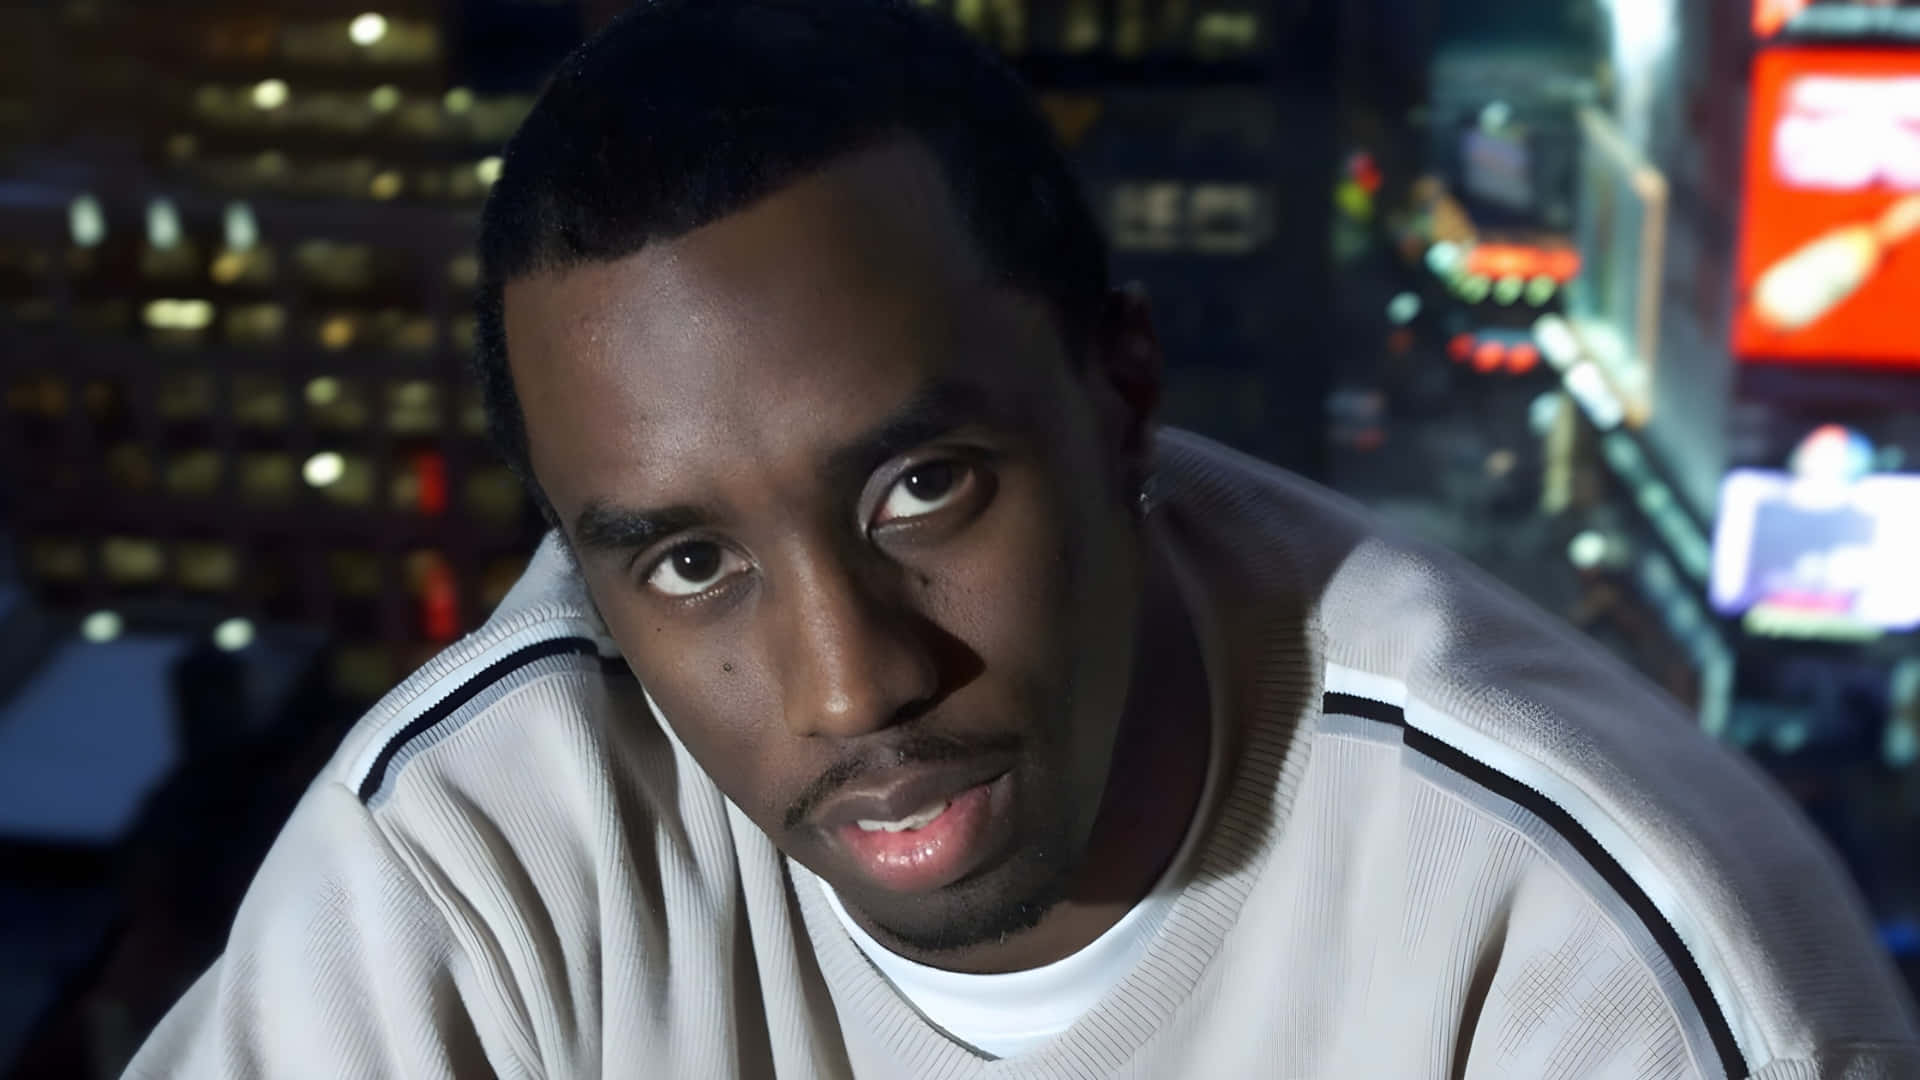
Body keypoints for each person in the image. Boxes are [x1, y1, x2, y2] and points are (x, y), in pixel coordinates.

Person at [126, 1, 1918, 1076]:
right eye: (687, 564)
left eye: (923, 488)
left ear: (1120, 396)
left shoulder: (1587, 939)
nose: (853, 688)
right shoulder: (472, 858)